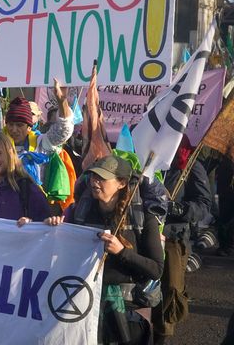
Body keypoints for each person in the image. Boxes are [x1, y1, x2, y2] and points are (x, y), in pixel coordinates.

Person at [46, 156, 164, 345]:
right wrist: (52, 228)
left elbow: (156, 269)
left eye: (102, 178)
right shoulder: (80, 213)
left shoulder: (143, 218)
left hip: (127, 308)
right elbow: (60, 251)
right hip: (85, 303)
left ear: (121, 183)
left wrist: (122, 252)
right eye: (93, 177)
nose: (95, 182)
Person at [152, 137, 212, 344]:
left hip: (172, 238)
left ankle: (161, 337)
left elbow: (204, 203)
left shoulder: (189, 162)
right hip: (144, 232)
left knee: (170, 292)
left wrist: (180, 210)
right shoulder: (144, 154)